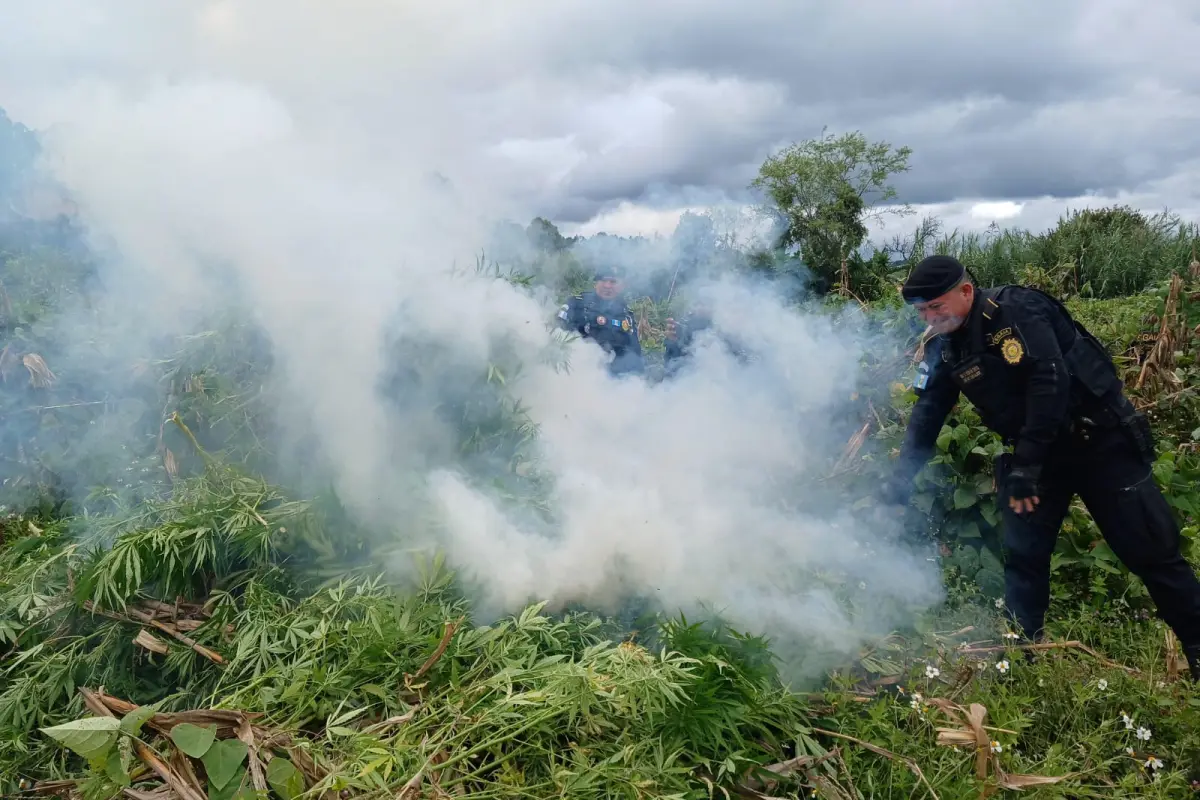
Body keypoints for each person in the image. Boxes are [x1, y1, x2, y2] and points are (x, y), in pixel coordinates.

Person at [884, 254, 1200, 679]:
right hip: (1037, 461)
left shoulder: (1016, 311)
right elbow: (928, 413)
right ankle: (1021, 660)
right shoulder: (947, 345)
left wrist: (1027, 468)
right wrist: (900, 481)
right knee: (1024, 557)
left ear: (966, 291)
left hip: (1099, 445)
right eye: (922, 311)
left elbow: (1049, 383)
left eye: (936, 307)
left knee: (1151, 553)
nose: (930, 318)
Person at [557, 267, 644, 376]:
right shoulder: (577, 304)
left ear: (621, 286)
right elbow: (558, 336)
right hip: (578, 372)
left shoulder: (626, 314)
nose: (607, 286)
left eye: (613, 282)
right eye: (603, 280)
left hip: (614, 379)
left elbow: (635, 353)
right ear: (596, 283)